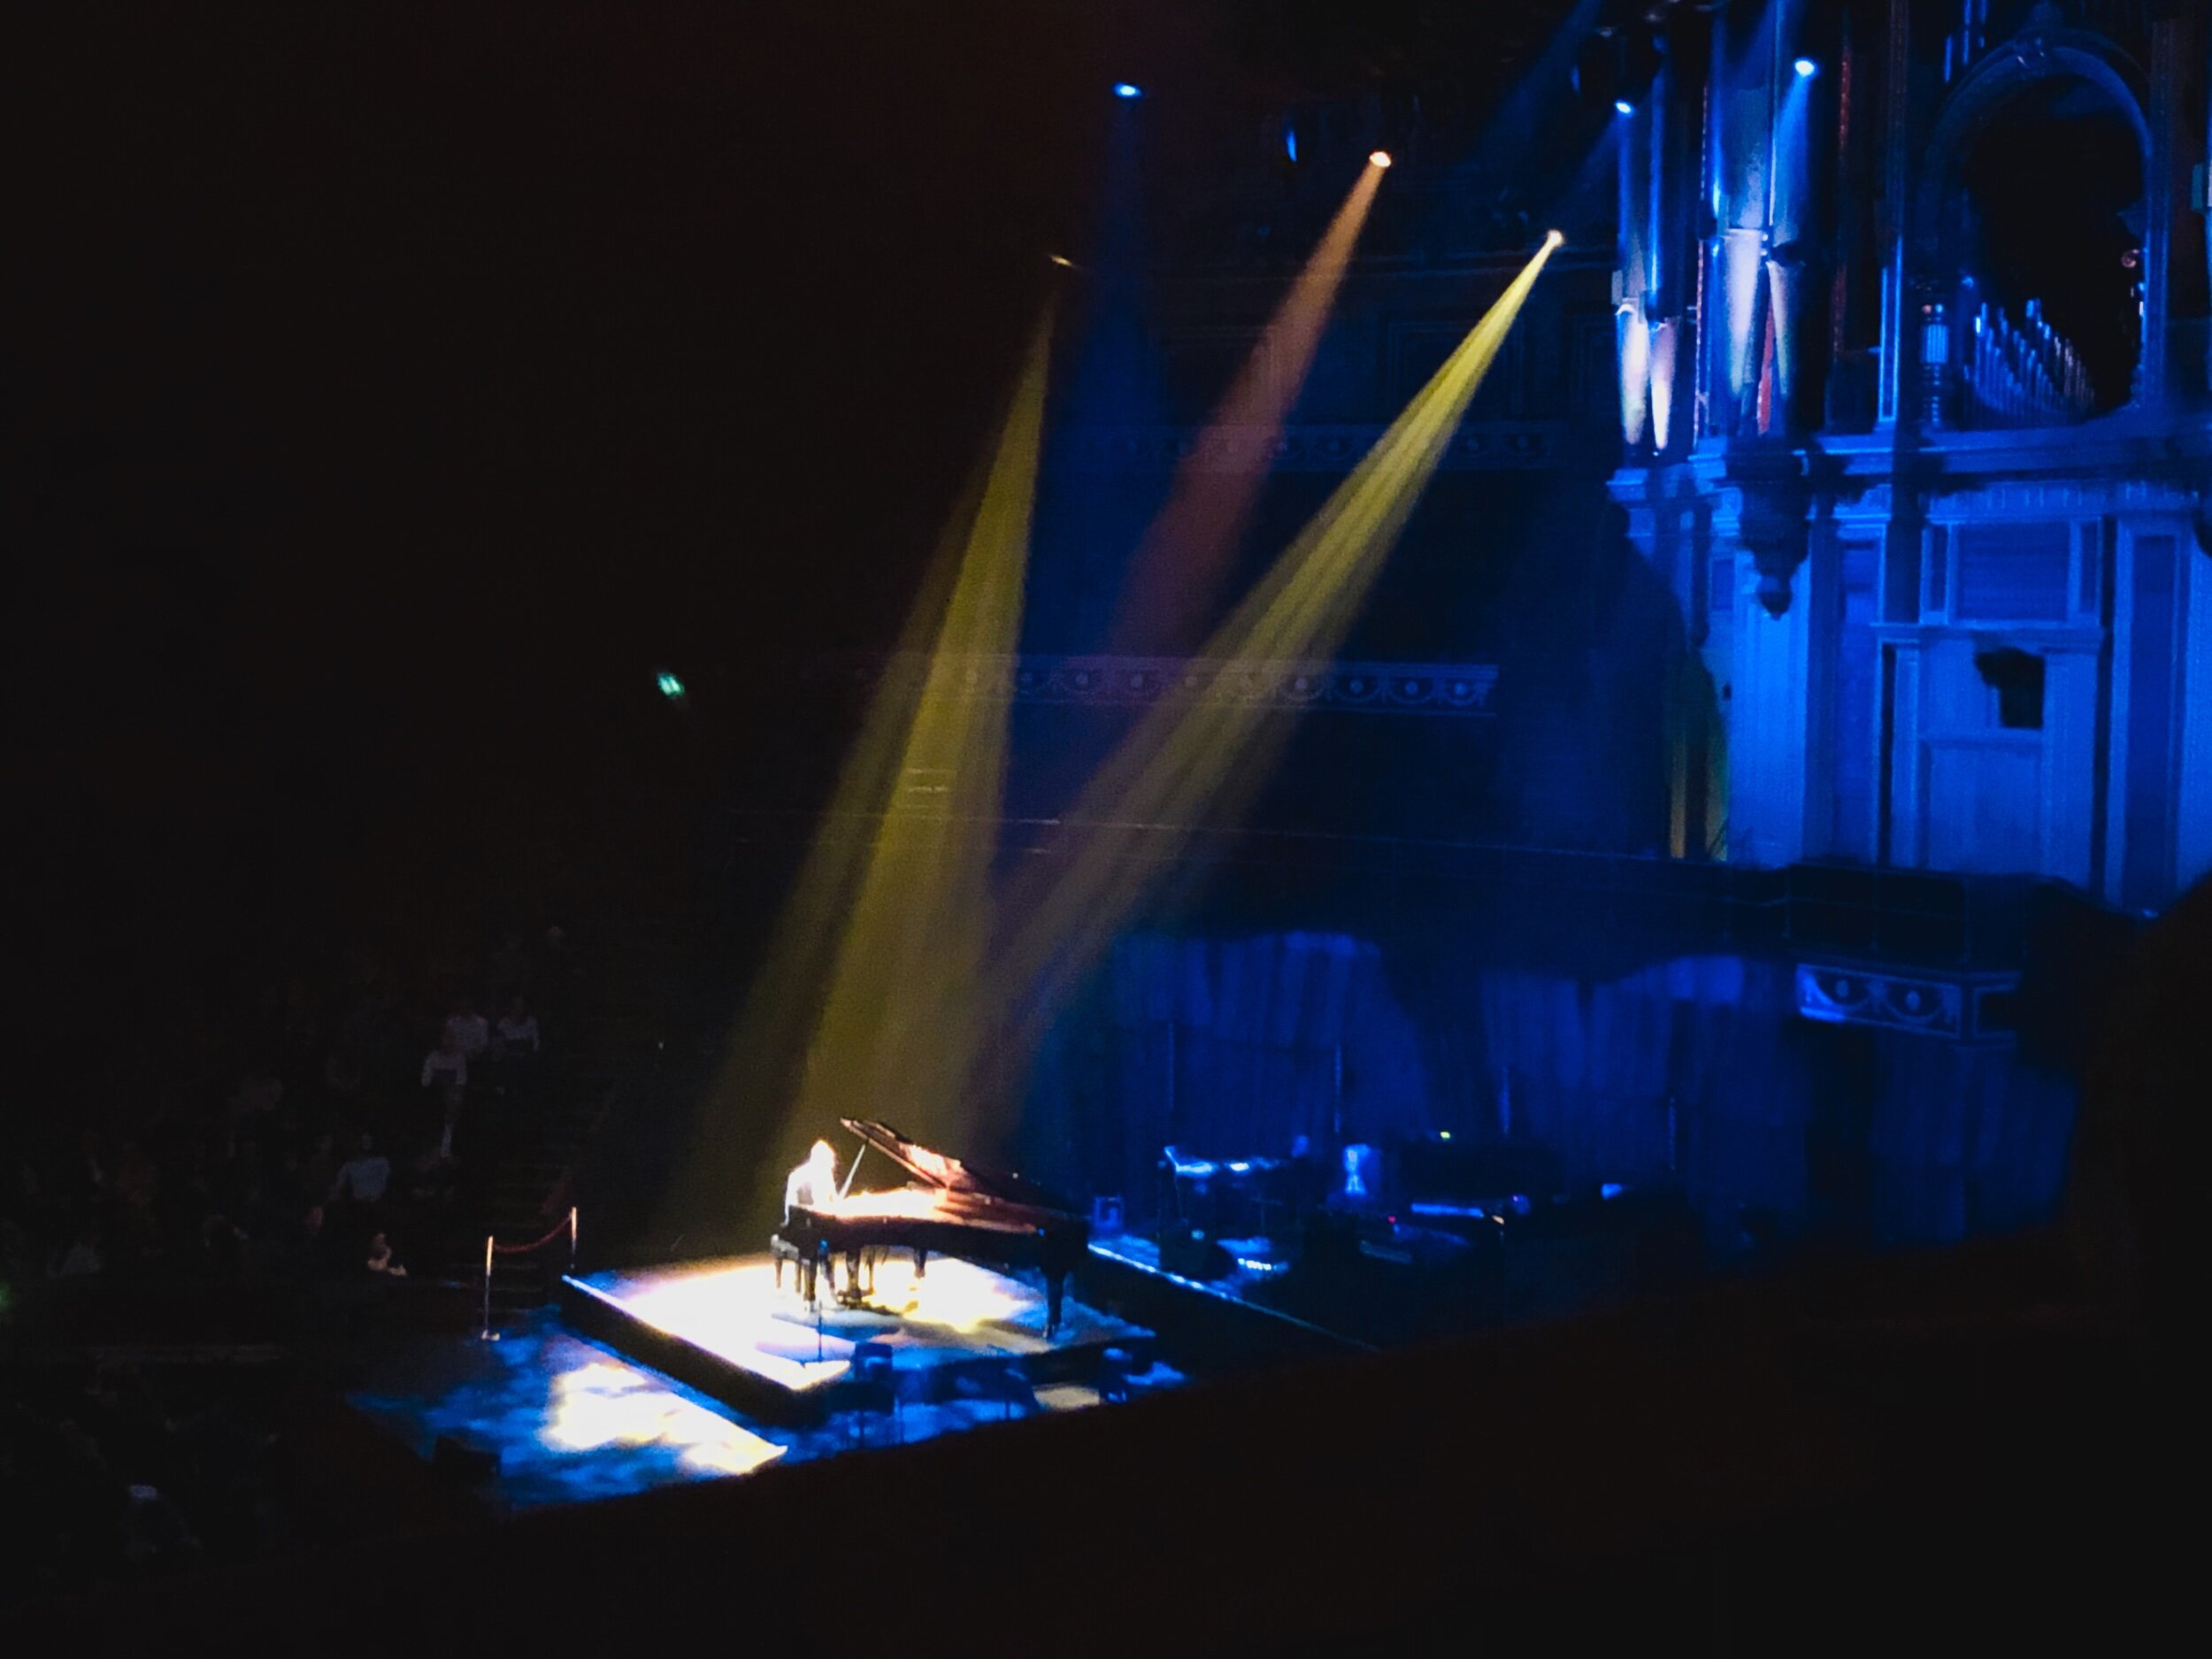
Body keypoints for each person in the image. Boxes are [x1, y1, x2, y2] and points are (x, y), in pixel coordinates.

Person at [783, 1140, 839, 1222]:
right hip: (801, 1226)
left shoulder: (826, 1175)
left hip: (821, 1223)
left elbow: (835, 1202)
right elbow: (791, 1209)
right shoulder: (797, 1177)